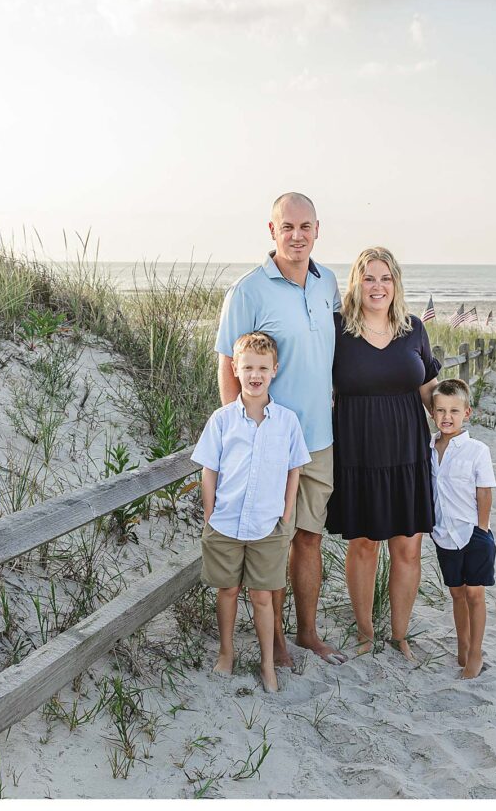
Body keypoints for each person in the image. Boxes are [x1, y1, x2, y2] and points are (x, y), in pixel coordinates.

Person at [215, 192, 346, 667]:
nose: (297, 235)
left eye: (305, 226)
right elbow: (229, 365)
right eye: (287, 227)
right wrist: (239, 436)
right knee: (274, 540)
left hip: (319, 439)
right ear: (272, 231)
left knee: (310, 538)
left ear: (317, 229)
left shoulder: (327, 282)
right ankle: (275, 642)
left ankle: (307, 633)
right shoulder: (248, 290)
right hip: (269, 444)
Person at [326, 246, 441, 660]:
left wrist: (451, 427)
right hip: (357, 453)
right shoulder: (337, 329)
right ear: (356, 283)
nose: (378, 286)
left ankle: (399, 635)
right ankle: (364, 633)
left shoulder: (413, 329)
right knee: (363, 546)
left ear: (396, 284)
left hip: (408, 452)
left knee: (408, 547)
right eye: (369, 278)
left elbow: (428, 386)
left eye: (385, 278)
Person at [191, 331, 310, 693]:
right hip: (225, 522)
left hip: (268, 525)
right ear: (235, 369)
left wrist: (287, 511)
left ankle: (267, 663)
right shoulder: (223, 419)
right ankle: (226, 653)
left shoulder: (287, 421)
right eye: (247, 367)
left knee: (262, 596)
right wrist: (210, 512)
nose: (255, 374)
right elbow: (208, 469)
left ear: (274, 370)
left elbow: (295, 468)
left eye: (262, 367)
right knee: (227, 590)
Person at [429, 378, 496, 679]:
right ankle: (463, 643)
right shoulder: (428, 448)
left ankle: (476, 652)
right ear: (433, 413)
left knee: (474, 593)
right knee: (456, 592)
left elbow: (484, 491)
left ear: (466, 413)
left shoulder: (477, 450)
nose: (447, 417)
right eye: (441, 410)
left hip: (473, 533)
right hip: (444, 534)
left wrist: (482, 529)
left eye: (454, 411)